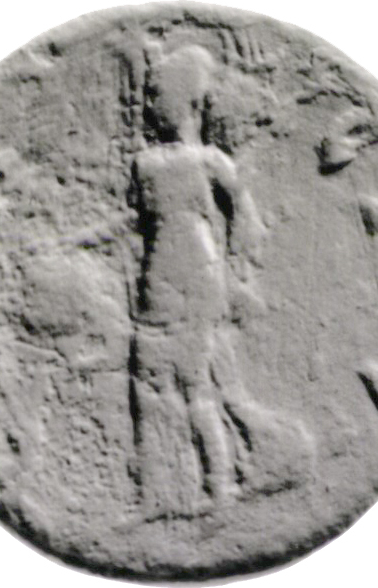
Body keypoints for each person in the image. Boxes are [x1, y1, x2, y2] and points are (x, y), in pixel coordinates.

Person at [125, 44, 266, 517]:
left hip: (199, 282)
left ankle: (220, 489)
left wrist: (238, 271)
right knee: (145, 381)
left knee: (194, 387)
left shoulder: (211, 162)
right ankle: (153, 495)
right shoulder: (144, 164)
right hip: (155, 280)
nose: (148, 105)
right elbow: (135, 226)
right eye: (147, 95)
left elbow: (246, 219)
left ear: (187, 101)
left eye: (156, 94)